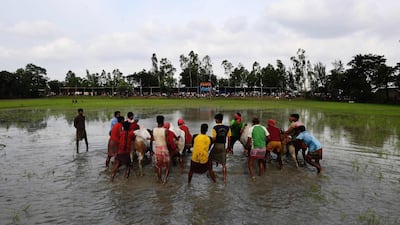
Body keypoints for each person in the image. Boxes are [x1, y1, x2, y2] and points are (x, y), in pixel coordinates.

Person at [209, 113, 232, 183]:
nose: (215, 120)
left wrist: (209, 145)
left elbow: (214, 138)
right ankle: (224, 179)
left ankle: (211, 175)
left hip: (216, 145)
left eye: (215, 119)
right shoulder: (227, 128)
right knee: (224, 164)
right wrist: (228, 147)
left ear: (217, 119)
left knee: (210, 160)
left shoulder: (214, 128)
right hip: (223, 146)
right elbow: (229, 138)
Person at [151, 115, 171, 183]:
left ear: (157, 121)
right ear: (163, 121)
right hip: (164, 148)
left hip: (157, 149)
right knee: (168, 166)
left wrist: (151, 150)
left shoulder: (153, 130)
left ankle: (159, 179)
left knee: (158, 166)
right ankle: (165, 179)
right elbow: (168, 142)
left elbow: (152, 140)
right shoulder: (165, 130)